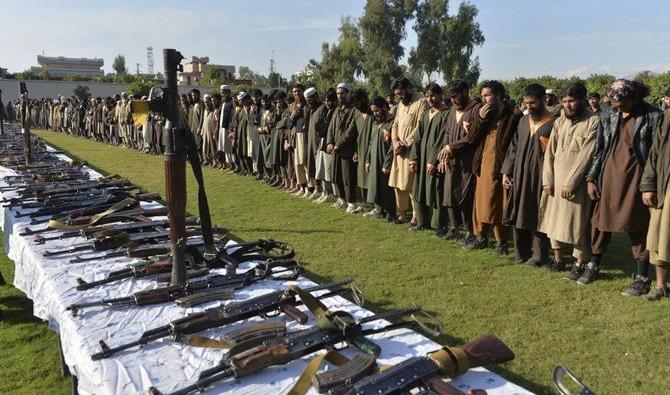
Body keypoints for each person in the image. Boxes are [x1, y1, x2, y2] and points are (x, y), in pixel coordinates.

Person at [584, 80, 663, 292]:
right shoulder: (608, 114)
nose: (617, 107)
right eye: (613, 102)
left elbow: (656, 155)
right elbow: (599, 148)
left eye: (622, 103)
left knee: (637, 224)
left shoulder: (653, 116)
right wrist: (592, 178)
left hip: (637, 178)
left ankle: (642, 275)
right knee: (600, 222)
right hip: (607, 176)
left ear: (635, 98)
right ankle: (593, 264)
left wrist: (650, 185)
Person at [539, 83, 600, 278]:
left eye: (572, 101)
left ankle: (580, 263)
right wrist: (547, 180)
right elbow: (550, 153)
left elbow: (587, 155)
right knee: (553, 220)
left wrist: (571, 182)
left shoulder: (593, 122)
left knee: (577, 223)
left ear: (582, 100)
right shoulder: (559, 122)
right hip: (555, 183)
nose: (568, 105)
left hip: (576, 185)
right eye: (564, 101)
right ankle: (557, 258)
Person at [501, 83, 556, 266]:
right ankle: (520, 253)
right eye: (526, 103)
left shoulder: (554, 122)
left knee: (538, 214)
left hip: (541, 177)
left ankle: (539, 255)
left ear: (542, 100)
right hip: (519, 175)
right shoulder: (523, 121)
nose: (528, 107)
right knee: (518, 212)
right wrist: (506, 171)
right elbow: (513, 147)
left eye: (532, 103)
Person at [466, 81, 521, 254]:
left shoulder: (513, 115)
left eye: (487, 95)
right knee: (480, 202)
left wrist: (508, 168)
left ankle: (501, 241)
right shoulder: (483, 113)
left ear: (498, 95)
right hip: (482, 163)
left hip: (501, 165)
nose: (484, 99)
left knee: (499, 204)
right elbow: (472, 138)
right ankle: (480, 236)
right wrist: (481, 119)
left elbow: (515, 144)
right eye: (482, 96)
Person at [437, 80, 480, 244]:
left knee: (465, 197)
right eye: (451, 97)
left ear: (465, 92)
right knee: (449, 195)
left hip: (467, 161)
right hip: (451, 161)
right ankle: (454, 228)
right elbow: (447, 133)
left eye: (455, 96)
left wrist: (451, 147)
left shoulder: (476, 109)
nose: (453, 100)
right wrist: (444, 154)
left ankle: (470, 232)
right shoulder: (452, 110)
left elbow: (473, 137)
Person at [408, 83, 449, 233]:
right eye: (427, 95)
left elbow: (442, 140)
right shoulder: (426, 114)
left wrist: (433, 161)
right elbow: (417, 138)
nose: (430, 98)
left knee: (436, 192)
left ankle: (438, 225)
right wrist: (414, 158)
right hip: (422, 159)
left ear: (440, 95)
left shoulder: (446, 114)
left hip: (435, 161)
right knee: (418, 189)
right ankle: (421, 221)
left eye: (433, 95)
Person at [388, 76, 429, 223]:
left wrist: (405, 144)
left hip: (412, 150)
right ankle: (402, 214)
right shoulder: (400, 104)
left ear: (409, 88)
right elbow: (395, 125)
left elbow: (420, 126)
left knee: (411, 184)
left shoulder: (422, 101)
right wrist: (395, 142)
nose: (398, 96)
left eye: (401, 93)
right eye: (397, 94)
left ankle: (416, 216)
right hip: (398, 149)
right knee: (398, 184)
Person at [639, 106, 670, 300]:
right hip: (665, 185)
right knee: (662, 236)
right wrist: (648, 185)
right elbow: (655, 152)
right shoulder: (668, 116)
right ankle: (660, 287)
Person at [326, 82, 357, 212]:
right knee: (336, 176)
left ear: (348, 94)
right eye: (338, 94)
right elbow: (331, 129)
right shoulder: (337, 110)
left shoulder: (353, 110)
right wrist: (329, 143)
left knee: (347, 178)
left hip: (346, 150)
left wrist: (338, 145)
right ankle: (341, 199)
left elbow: (350, 132)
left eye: (342, 93)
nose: (340, 96)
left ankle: (351, 203)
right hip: (336, 150)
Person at [366, 96, 396, 221]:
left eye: (377, 110)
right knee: (376, 185)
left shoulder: (392, 122)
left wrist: (387, 163)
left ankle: (391, 213)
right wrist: (368, 160)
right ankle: (379, 210)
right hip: (374, 160)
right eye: (373, 111)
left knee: (387, 187)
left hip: (385, 160)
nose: (375, 113)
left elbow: (392, 146)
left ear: (384, 107)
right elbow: (371, 142)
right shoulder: (375, 123)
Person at [314, 89, 338, 203]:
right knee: (322, 169)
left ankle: (334, 194)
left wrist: (322, 128)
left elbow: (327, 128)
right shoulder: (325, 111)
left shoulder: (335, 112)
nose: (327, 103)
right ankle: (325, 192)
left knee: (329, 170)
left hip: (330, 144)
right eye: (326, 100)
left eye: (330, 101)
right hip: (322, 143)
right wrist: (322, 128)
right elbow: (318, 126)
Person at [287, 84, 310, 195]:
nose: (296, 93)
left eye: (298, 91)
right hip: (295, 136)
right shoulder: (292, 106)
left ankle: (311, 188)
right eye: (294, 92)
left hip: (305, 136)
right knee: (297, 164)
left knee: (305, 162)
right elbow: (288, 125)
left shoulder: (307, 105)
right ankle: (303, 187)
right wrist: (292, 116)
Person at [218, 85, 234, 170]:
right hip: (222, 128)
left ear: (228, 93)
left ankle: (233, 165)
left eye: (223, 93)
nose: (222, 95)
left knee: (229, 147)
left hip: (228, 128)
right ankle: (228, 165)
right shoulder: (223, 103)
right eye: (221, 93)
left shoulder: (232, 103)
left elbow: (232, 117)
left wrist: (231, 129)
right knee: (224, 147)